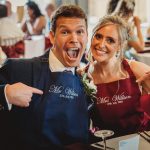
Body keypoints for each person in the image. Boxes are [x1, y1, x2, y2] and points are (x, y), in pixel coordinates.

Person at [0, 5, 89, 150]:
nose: (74, 38)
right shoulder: (19, 70)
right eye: (65, 32)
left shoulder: (88, 76)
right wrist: (5, 93)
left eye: (80, 31)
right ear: (52, 36)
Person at [86, 15, 150, 137]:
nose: (101, 44)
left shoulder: (133, 68)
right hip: (105, 143)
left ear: (119, 46)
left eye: (110, 40)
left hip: (140, 140)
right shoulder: (83, 76)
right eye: (98, 36)